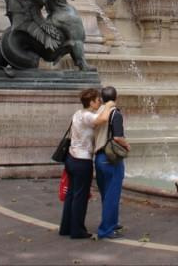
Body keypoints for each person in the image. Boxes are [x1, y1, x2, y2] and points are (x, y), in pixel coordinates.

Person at [59, 88, 115, 239]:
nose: (99, 102)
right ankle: (77, 230)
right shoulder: (88, 116)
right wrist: (110, 105)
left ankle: (66, 227)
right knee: (80, 196)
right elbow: (102, 120)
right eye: (98, 100)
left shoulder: (78, 113)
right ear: (91, 102)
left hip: (71, 159)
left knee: (71, 194)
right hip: (82, 161)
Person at [94, 86, 130, 240]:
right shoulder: (115, 113)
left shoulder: (97, 113)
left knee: (106, 193)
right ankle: (106, 230)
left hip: (99, 157)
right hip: (111, 158)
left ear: (101, 99)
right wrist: (127, 145)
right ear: (116, 98)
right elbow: (117, 137)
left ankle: (112, 222)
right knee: (112, 195)